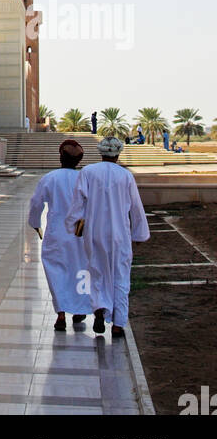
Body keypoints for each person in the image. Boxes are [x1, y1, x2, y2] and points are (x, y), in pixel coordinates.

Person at [64, 134, 150, 337]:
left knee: (97, 273)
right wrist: (139, 235)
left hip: (95, 233)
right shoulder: (126, 175)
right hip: (120, 234)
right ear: (118, 153)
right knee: (120, 276)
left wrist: (72, 226)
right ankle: (119, 323)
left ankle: (100, 311)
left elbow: (77, 205)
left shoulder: (88, 172)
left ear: (100, 153)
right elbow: (136, 208)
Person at [28, 139, 93, 332]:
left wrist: (35, 224)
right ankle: (79, 309)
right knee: (79, 269)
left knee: (57, 272)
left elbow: (36, 204)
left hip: (56, 232)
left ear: (60, 157)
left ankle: (61, 313)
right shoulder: (84, 178)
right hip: (79, 232)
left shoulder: (50, 178)